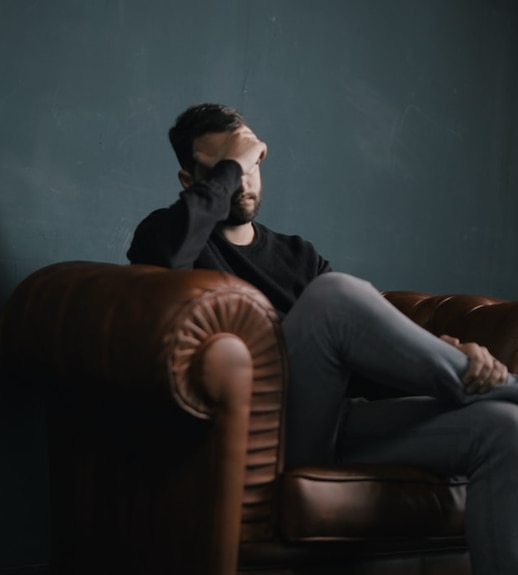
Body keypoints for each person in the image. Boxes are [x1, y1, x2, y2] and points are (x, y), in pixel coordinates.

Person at [127, 103, 518, 574]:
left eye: (251, 164)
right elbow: (163, 260)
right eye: (225, 169)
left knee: (504, 430)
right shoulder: (167, 236)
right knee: (334, 295)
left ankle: (488, 387)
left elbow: (366, 351)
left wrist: (453, 351)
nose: (243, 181)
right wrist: (234, 163)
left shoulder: (297, 254)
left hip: (337, 424)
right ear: (191, 182)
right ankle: (503, 385)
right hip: (267, 435)